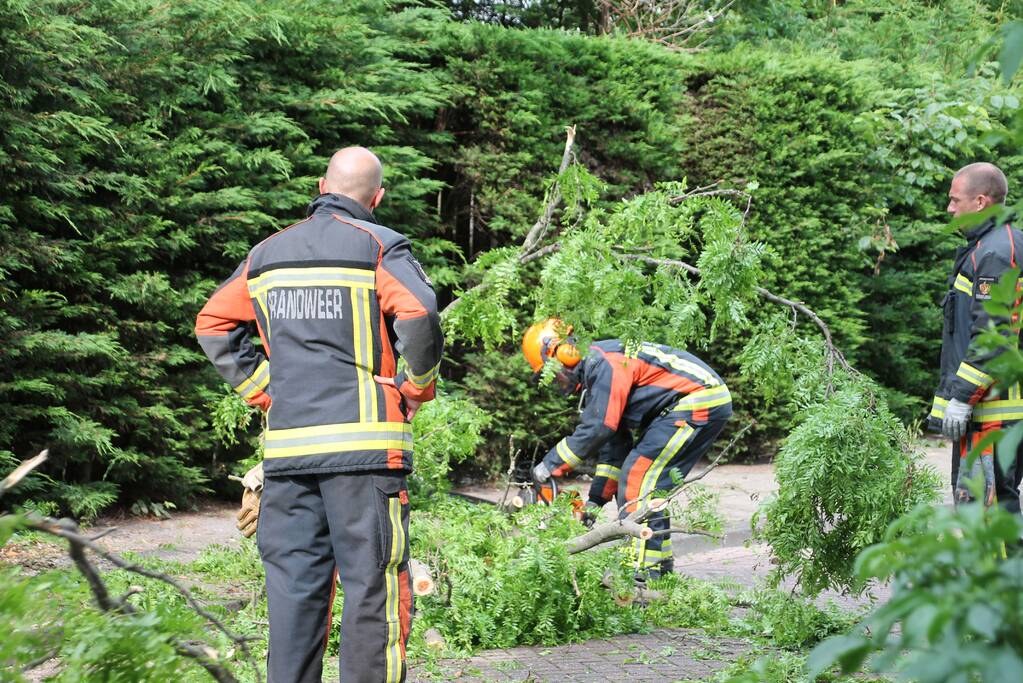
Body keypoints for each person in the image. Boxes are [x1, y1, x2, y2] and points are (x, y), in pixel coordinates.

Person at [195, 147, 443, 683]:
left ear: (320, 184)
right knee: (373, 591)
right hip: (365, 455)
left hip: (287, 457)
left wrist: (268, 392)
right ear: (377, 197)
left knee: (293, 595)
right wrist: (414, 387)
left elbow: (213, 323)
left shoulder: (265, 255)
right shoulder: (378, 247)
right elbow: (420, 314)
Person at [523, 319, 732, 579]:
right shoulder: (597, 374)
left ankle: (641, 576)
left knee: (639, 478)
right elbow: (614, 447)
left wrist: (548, 466)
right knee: (645, 483)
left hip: (698, 399)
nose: (555, 381)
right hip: (693, 401)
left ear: (563, 351)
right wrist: (595, 502)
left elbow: (598, 428)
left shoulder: (604, 364)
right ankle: (659, 573)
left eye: (551, 372)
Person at [930, 162, 1023, 511]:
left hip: (993, 412)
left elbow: (992, 338)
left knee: (989, 515)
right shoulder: (988, 246)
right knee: (980, 512)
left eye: (955, 200)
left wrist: (961, 399)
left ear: (980, 201)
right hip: (984, 410)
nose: (949, 208)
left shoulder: (997, 252)